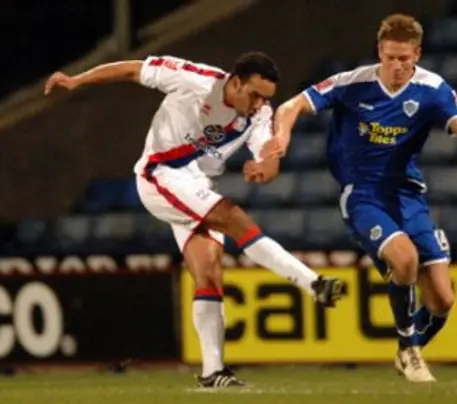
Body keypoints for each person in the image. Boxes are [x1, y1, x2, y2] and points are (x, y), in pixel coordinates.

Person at [44, 52, 347, 388]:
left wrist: (264, 167)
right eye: (255, 94)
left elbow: (268, 156)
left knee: (209, 271)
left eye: (266, 97)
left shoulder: (260, 113)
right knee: (232, 217)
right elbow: (133, 69)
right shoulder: (194, 79)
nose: (260, 103)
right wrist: (77, 79)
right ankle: (313, 284)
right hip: (159, 174)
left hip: (197, 187)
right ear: (234, 82)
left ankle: (213, 372)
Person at [267, 14, 457, 382]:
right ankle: (410, 349)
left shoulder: (433, 89)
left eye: (404, 59)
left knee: (443, 301)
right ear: (380, 52)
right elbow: (291, 106)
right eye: (390, 57)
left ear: (417, 54)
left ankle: (406, 348)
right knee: (406, 260)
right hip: (362, 194)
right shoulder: (354, 83)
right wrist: (281, 138)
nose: (396, 66)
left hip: (408, 195)